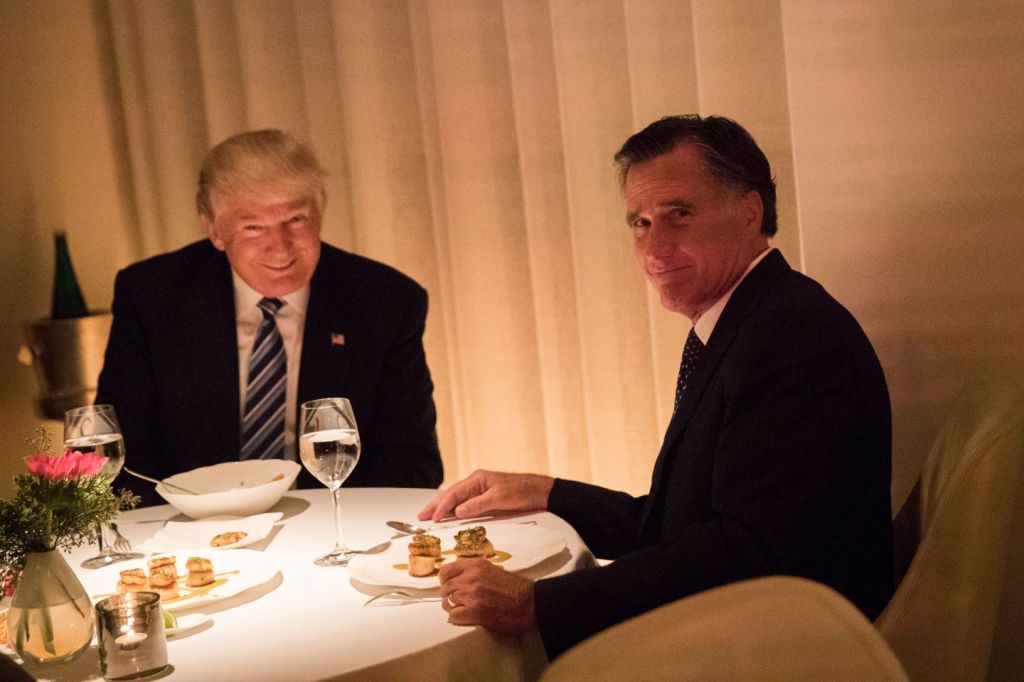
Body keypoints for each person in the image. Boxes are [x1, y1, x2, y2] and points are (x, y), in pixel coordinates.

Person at [419, 115, 893, 659]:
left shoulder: (793, 337)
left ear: (749, 212)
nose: (654, 247)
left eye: (679, 214)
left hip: (795, 651)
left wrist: (538, 603)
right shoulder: (754, 317)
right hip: (757, 621)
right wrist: (545, 491)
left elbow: (745, 550)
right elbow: (686, 526)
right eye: (640, 222)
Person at [96, 129, 442, 505]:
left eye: (295, 218)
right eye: (253, 227)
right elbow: (118, 460)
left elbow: (413, 464)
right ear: (214, 229)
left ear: (320, 210)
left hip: (332, 527)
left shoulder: (385, 301)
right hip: (191, 533)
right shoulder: (153, 297)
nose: (279, 246)